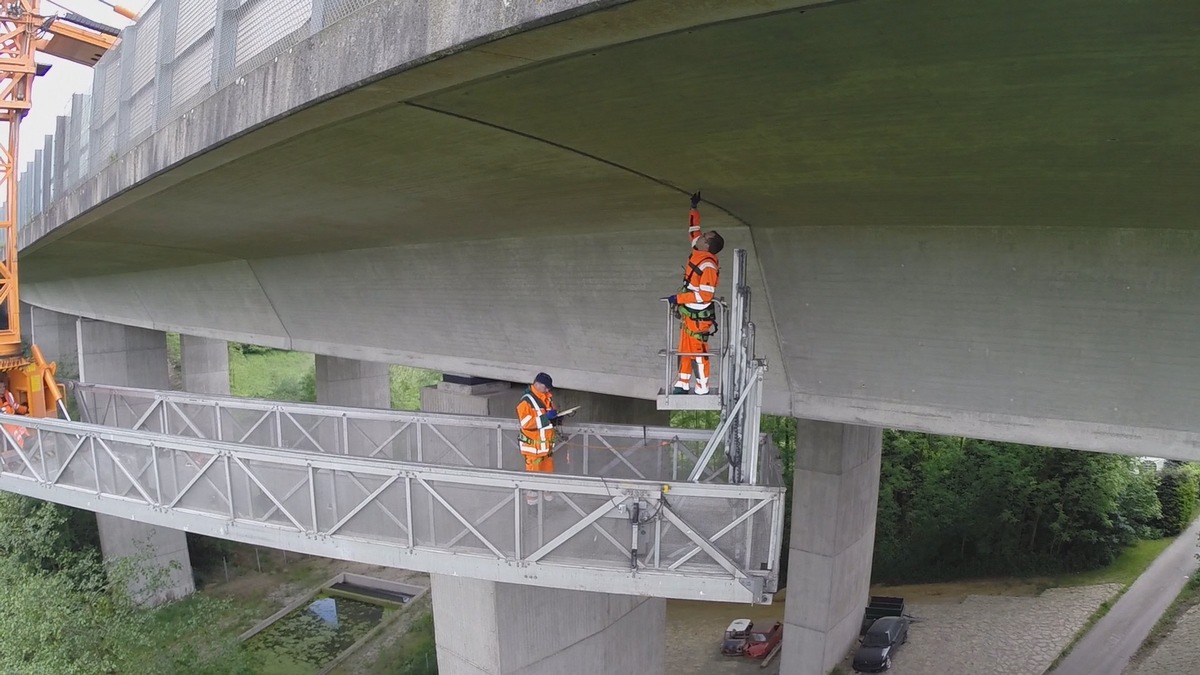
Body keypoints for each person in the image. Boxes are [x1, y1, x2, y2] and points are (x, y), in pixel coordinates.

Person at [665, 190, 724, 395]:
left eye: (704, 236)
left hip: (698, 316)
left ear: (707, 245)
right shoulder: (699, 253)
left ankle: (702, 387)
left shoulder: (707, 265)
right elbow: (693, 230)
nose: (700, 236)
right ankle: (682, 383)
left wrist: (678, 298)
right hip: (689, 313)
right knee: (684, 349)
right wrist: (693, 208)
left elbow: (705, 296)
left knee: (698, 352)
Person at [517, 372, 562, 505]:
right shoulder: (526, 401)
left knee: (548, 483)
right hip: (533, 451)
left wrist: (557, 418)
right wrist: (546, 418)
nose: (548, 390)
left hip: (546, 450)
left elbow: (551, 416)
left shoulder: (546, 398)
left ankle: (549, 506)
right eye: (545, 387)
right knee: (533, 485)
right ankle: (532, 511)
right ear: (536, 384)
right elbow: (526, 423)